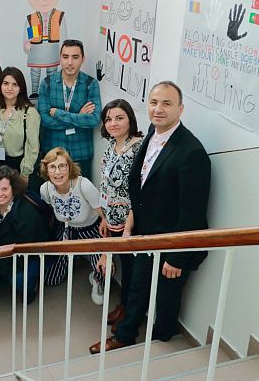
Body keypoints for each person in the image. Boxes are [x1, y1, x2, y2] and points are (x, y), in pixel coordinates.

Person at [97, 81, 210, 352]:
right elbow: (142, 185)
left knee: (168, 295)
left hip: (172, 241)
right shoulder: (152, 132)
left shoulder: (192, 153)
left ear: (181, 109)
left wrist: (176, 257)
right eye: (154, 103)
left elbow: (193, 212)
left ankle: (162, 340)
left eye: (167, 104)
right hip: (146, 232)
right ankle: (127, 334)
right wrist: (132, 219)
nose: (158, 109)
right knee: (139, 287)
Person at [88, 99, 144, 349]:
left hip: (129, 222)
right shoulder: (111, 144)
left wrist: (128, 228)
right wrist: (103, 217)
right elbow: (105, 184)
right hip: (111, 217)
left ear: (130, 119)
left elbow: (138, 193)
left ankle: (129, 312)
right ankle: (123, 305)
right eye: (109, 119)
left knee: (131, 269)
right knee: (122, 265)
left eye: (119, 118)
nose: (113, 123)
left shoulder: (138, 148)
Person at [39, 147, 105, 303]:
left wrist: (105, 254)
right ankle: (72, 258)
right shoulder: (45, 189)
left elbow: (105, 218)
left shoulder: (84, 185)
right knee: (51, 280)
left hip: (92, 231)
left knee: (103, 270)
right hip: (66, 231)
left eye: (62, 166)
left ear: (69, 167)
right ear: (46, 170)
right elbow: (52, 212)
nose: (57, 172)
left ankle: (96, 278)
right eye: (52, 167)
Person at [38, 40, 102, 180]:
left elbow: (94, 120)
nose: (70, 62)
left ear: (83, 59)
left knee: (81, 192)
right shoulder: (47, 83)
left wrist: (59, 113)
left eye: (75, 57)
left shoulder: (90, 84)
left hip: (81, 153)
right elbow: (44, 120)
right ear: (60, 58)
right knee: (52, 192)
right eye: (65, 57)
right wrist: (79, 116)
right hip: (53, 153)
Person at [0, 166, 50, 301]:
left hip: (33, 253)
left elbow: (26, 249)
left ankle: (31, 286)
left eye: (4, 189)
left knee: (19, 279)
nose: (0, 194)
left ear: (13, 188)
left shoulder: (25, 212)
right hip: (8, 249)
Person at [0, 67, 40, 187]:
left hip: (17, 166)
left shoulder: (29, 112)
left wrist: (25, 173)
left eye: (15, 84)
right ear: (0, 86)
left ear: (21, 88)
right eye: (6, 83)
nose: (9, 88)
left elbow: (33, 146)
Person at [23, 0, 67, 99]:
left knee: (52, 71)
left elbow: (64, 37)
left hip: (53, 49)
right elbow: (28, 37)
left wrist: (63, 51)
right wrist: (27, 45)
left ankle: (50, 91)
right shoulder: (31, 18)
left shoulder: (59, 16)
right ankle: (34, 90)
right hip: (36, 50)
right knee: (35, 71)